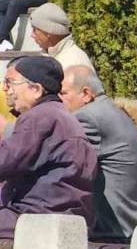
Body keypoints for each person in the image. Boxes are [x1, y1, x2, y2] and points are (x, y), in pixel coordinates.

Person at [0, 57, 95, 237]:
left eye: (11, 83)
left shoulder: (40, 117)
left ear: (35, 89)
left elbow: (6, 161)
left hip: (39, 215)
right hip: (62, 214)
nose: (8, 90)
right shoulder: (59, 114)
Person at [59, 65, 137, 242]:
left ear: (86, 94)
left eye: (63, 93)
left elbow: (65, 164)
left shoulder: (88, 117)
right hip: (130, 226)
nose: (58, 99)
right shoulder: (111, 111)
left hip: (112, 232)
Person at [29, 3, 94, 71]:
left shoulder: (72, 63)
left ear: (48, 32)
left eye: (35, 29)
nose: (32, 35)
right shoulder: (53, 54)